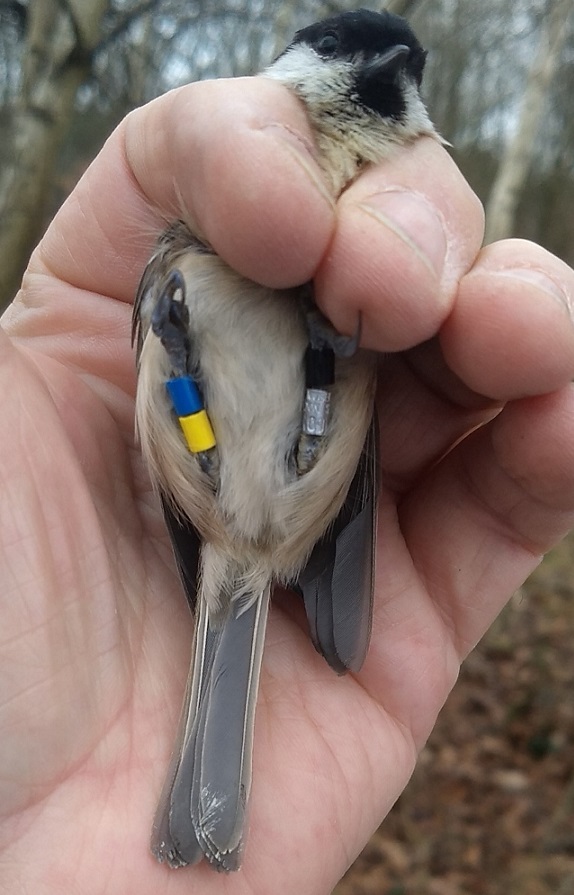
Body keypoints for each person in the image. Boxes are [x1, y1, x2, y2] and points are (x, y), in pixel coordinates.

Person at [1, 75, 573, 894]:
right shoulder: (207, 231)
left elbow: (352, 455)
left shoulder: (348, 279)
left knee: (306, 418)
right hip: (207, 481)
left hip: (296, 498)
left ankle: (299, 412)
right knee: (213, 408)